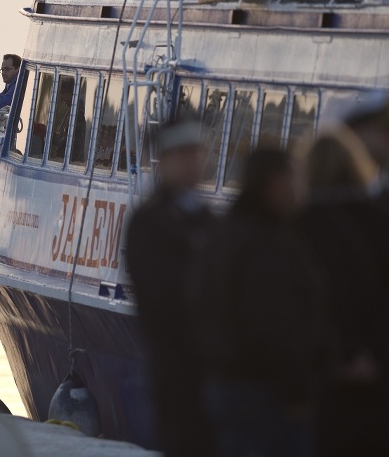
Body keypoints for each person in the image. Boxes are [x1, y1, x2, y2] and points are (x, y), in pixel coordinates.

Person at [190, 149, 327, 457]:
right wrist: (299, 390)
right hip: (265, 394)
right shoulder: (266, 243)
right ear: (275, 184)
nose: (299, 189)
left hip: (227, 385)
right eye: (293, 178)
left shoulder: (223, 233)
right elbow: (272, 324)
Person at [297, 96, 389, 457]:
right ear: (352, 137)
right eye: (383, 133)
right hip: (327, 387)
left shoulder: (380, 215)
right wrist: (344, 356)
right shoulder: (315, 222)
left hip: (375, 386)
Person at [124, 121, 216, 457]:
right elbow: (162, 296)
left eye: (198, 153)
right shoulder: (149, 222)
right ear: (165, 160)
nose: (195, 162)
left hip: (215, 365)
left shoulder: (205, 217)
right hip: (178, 361)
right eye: (184, 154)